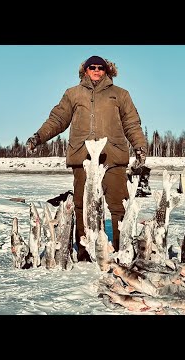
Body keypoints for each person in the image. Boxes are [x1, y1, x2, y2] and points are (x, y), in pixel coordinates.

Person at [26, 55, 147, 261]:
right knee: (82, 205)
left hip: (112, 156)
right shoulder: (73, 94)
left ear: (108, 70)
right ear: (85, 70)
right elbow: (58, 119)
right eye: (93, 67)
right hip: (83, 157)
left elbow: (132, 123)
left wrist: (140, 147)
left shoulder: (120, 94)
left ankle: (122, 248)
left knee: (119, 205)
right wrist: (38, 137)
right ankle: (84, 251)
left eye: (101, 67)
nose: (97, 70)